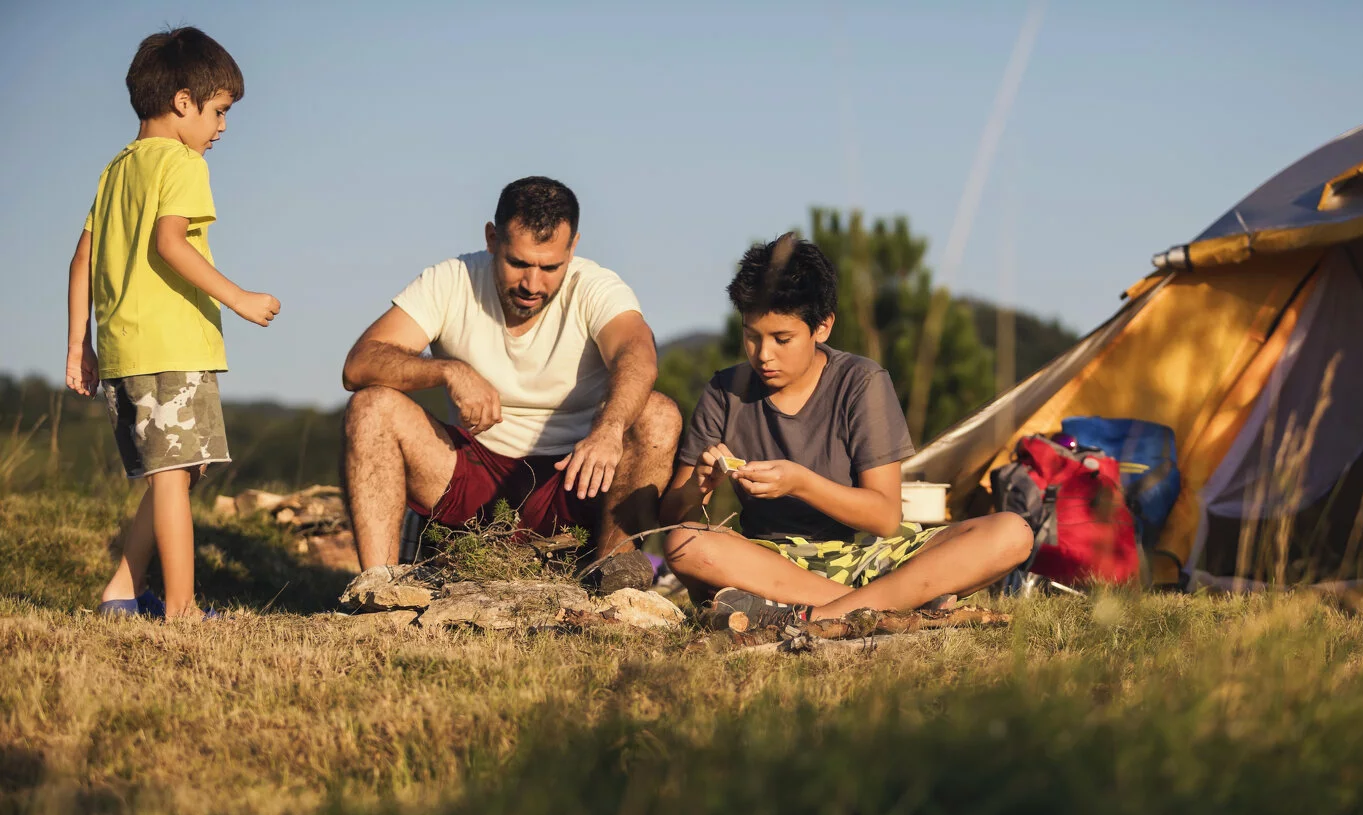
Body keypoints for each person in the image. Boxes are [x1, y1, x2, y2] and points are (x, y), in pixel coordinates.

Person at [660, 234, 1033, 624]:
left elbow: (885, 518)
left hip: (874, 554)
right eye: (751, 337)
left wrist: (800, 483)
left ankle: (812, 614)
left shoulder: (862, 382)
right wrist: (696, 487)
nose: (763, 355)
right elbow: (669, 513)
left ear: (822, 328)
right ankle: (887, 606)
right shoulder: (726, 391)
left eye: (781, 339)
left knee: (1013, 532)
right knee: (685, 542)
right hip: (775, 560)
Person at [340, 176, 680, 592]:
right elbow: (359, 364)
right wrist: (448, 370)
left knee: (659, 415)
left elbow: (637, 354)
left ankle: (616, 587)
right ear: (491, 239)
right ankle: (379, 590)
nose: (532, 284)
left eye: (550, 267)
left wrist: (608, 429)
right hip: (472, 473)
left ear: (572, 248)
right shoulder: (451, 279)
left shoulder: (597, 286)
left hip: (575, 477)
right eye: (518, 263)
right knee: (371, 406)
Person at [65, 27, 280, 621]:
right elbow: (169, 243)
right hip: (170, 345)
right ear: (183, 102)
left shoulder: (115, 170)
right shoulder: (182, 163)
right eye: (219, 110)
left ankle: (121, 591)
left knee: (181, 470)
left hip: (123, 349)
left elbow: (81, 259)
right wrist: (238, 297)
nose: (222, 127)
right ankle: (182, 610)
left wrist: (77, 344)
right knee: (173, 476)